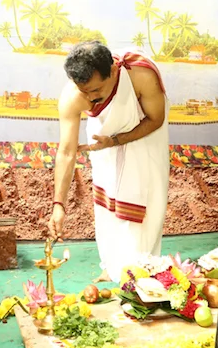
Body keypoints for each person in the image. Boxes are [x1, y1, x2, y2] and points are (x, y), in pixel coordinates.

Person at [48, 42, 170, 282]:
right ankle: (113, 266)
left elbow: (155, 119)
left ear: (114, 71)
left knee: (144, 201)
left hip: (145, 140)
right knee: (107, 202)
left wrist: (116, 140)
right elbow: (66, 152)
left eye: (96, 90)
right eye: (84, 92)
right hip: (103, 142)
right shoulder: (73, 96)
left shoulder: (141, 75)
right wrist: (58, 205)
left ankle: (139, 268)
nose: (91, 98)